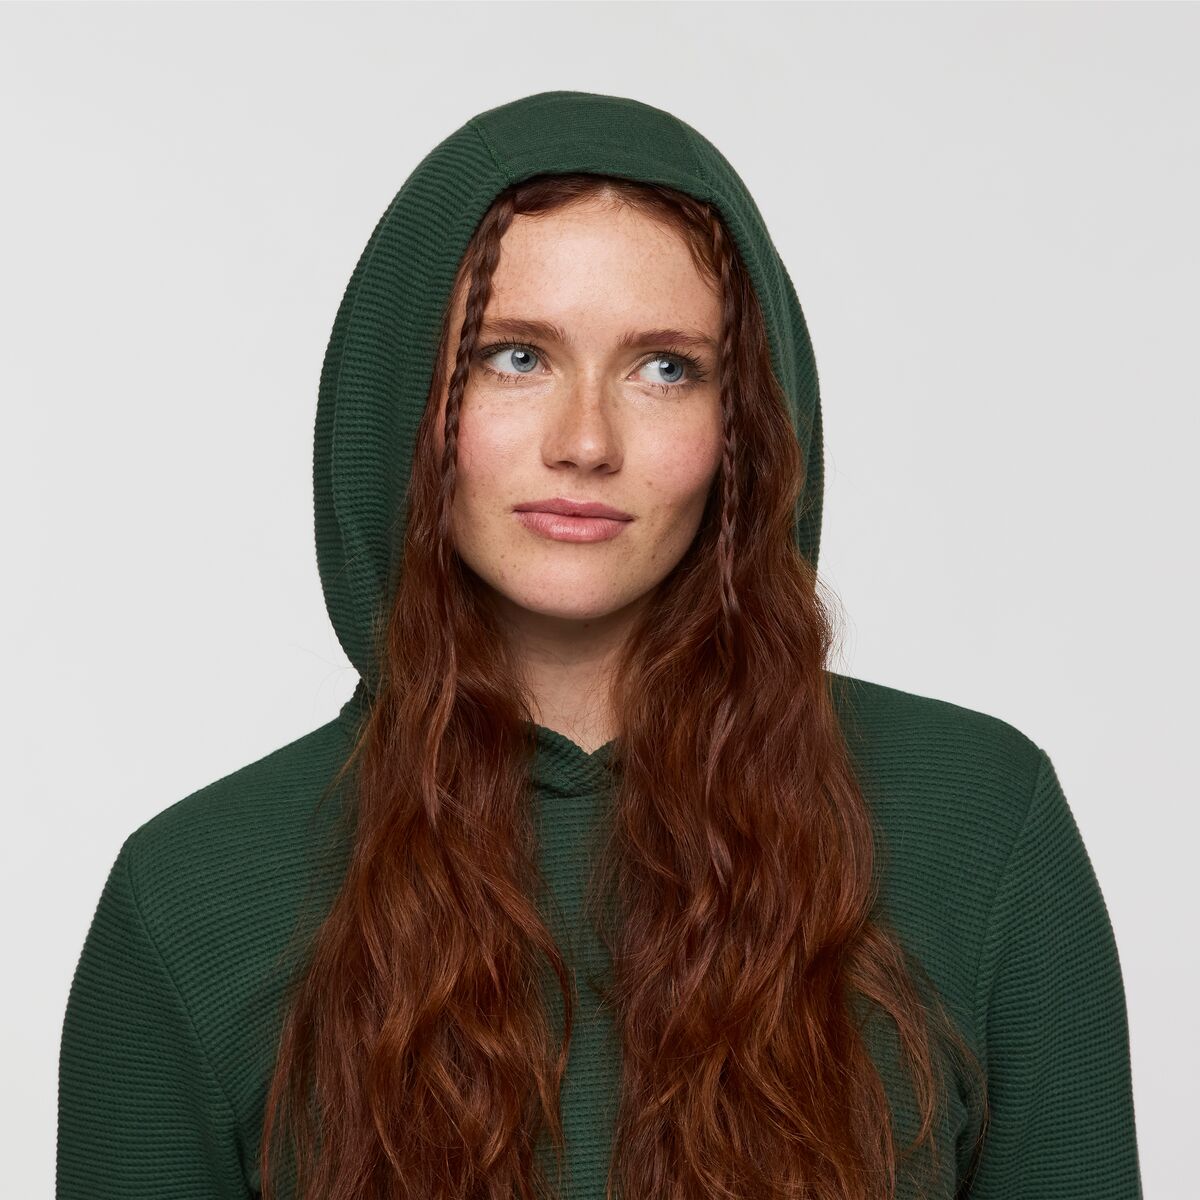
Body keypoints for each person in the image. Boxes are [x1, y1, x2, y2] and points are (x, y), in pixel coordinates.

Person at [56, 90, 1142, 1200]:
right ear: (407, 398)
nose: (585, 442)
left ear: (745, 424)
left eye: (665, 367)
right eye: (514, 356)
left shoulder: (980, 826)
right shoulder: (193, 894)